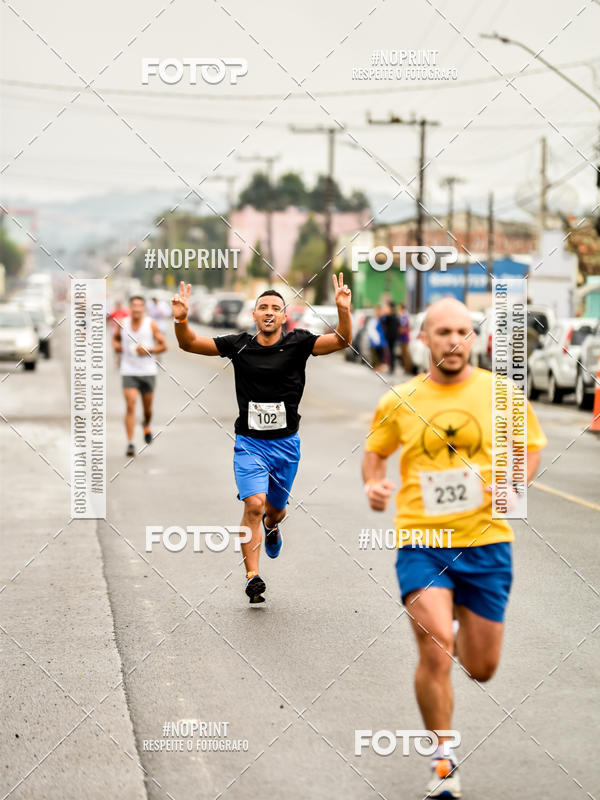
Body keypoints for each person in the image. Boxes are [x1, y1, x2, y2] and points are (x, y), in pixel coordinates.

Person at [362, 297, 546, 798]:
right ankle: (444, 760)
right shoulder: (400, 399)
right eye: (443, 331)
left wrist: (509, 488)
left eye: (463, 331)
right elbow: (375, 455)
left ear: (475, 338)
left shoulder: (501, 395)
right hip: (423, 540)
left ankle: (461, 620)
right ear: (423, 338)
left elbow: (529, 448)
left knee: (481, 669)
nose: (454, 341)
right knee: (434, 643)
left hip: (488, 544)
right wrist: (374, 487)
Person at [172, 275, 352, 604]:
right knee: (253, 505)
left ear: (284, 317)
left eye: (275, 308)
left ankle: (273, 525)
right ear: (254, 315)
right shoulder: (239, 344)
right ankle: (252, 577)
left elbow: (341, 341)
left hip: (286, 446)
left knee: (274, 511)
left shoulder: (299, 343)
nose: (268, 312)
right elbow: (188, 344)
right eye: (262, 307)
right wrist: (181, 319)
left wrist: (343, 311)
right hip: (249, 444)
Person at [112, 296, 167, 457]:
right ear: (130, 307)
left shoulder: (151, 324)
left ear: (144, 308)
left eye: (139, 306)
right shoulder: (122, 323)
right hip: (128, 371)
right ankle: (130, 443)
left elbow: (163, 345)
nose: (136, 309)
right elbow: (115, 340)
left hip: (148, 371)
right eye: (133, 305)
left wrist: (149, 350)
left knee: (148, 409)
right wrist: (117, 348)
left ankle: (146, 425)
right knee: (130, 405)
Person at [381, 301, 400, 374]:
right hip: (390, 336)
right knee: (391, 352)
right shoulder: (392, 315)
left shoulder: (392, 316)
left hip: (392, 337)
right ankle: (391, 368)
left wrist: (385, 313)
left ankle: (392, 368)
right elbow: (383, 322)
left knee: (392, 353)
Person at [366, 305, 387, 372]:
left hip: (381, 341)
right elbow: (371, 330)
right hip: (374, 341)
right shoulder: (374, 319)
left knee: (380, 355)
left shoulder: (382, 319)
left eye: (378, 311)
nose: (377, 312)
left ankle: (379, 367)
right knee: (375, 354)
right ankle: (375, 366)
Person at [398, 302, 412, 373]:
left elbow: (405, 327)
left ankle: (407, 368)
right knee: (403, 353)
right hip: (401, 337)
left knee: (406, 353)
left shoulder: (405, 316)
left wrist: (400, 330)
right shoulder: (402, 316)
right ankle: (405, 367)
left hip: (405, 337)